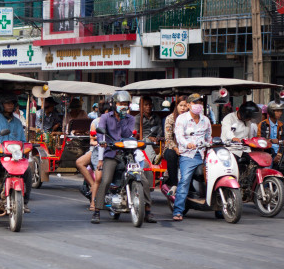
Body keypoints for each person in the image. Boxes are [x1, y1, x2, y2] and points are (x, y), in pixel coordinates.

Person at [91, 90, 156, 224]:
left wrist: (122, 120)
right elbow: (101, 136)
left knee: (143, 179)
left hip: (128, 154)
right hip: (111, 153)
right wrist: (101, 159)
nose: (123, 106)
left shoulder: (130, 118)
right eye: (121, 104)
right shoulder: (105, 118)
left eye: (126, 104)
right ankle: (97, 210)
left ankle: (148, 210)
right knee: (106, 179)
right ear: (114, 104)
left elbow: (128, 134)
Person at [172, 93, 212, 222]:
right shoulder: (181, 119)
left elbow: (209, 137)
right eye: (195, 103)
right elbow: (179, 137)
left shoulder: (205, 120)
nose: (198, 105)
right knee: (184, 181)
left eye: (200, 103)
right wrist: (187, 143)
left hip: (204, 155)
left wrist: (211, 144)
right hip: (188, 155)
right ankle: (178, 210)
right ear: (189, 105)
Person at [222, 100, 262, 178]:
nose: (249, 119)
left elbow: (250, 136)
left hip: (244, 149)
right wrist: (233, 138)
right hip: (231, 149)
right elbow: (227, 132)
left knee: (257, 161)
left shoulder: (248, 122)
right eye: (249, 117)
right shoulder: (229, 118)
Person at [161, 96, 189, 192]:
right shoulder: (170, 118)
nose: (183, 108)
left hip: (188, 148)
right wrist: (176, 149)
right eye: (180, 105)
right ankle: (174, 184)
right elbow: (168, 138)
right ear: (176, 106)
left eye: (185, 106)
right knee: (172, 155)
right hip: (172, 147)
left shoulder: (191, 118)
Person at [260, 100, 284, 171]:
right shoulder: (263, 124)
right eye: (277, 111)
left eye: (281, 111)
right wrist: (271, 141)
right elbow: (261, 141)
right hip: (268, 152)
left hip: (280, 152)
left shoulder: (281, 125)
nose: (280, 113)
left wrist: (279, 154)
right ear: (271, 112)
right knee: (268, 170)